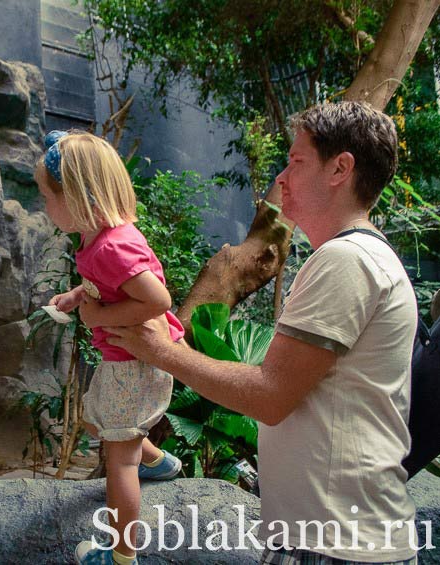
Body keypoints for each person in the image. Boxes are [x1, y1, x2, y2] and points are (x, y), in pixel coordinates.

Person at [106, 101, 418, 564]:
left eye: (296, 162)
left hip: (336, 548)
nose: (283, 178)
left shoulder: (347, 261)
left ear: (340, 169)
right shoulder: (361, 258)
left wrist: (163, 349)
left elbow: (270, 396)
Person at [36, 130, 184, 565]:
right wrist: (79, 297)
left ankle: (122, 556)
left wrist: (97, 318)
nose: (45, 206)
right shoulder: (101, 240)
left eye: (48, 197)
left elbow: (158, 299)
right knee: (99, 423)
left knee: (119, 460)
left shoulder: (112, 246)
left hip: (134, 366)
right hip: (126, 365)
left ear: (77, 197)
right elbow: (109, 285)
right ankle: (158, 462)